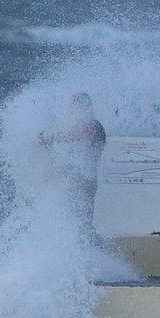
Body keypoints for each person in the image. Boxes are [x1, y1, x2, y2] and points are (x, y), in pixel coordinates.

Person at [36, 93, 106, 228]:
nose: (71, 111)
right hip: (80, 179)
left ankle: (89, 247)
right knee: (75, 221)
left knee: (82, 222)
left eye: (74, 106)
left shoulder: (93, 125)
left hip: (85, 181)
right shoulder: (86, 125)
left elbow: (76, 135)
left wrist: (49, 138)